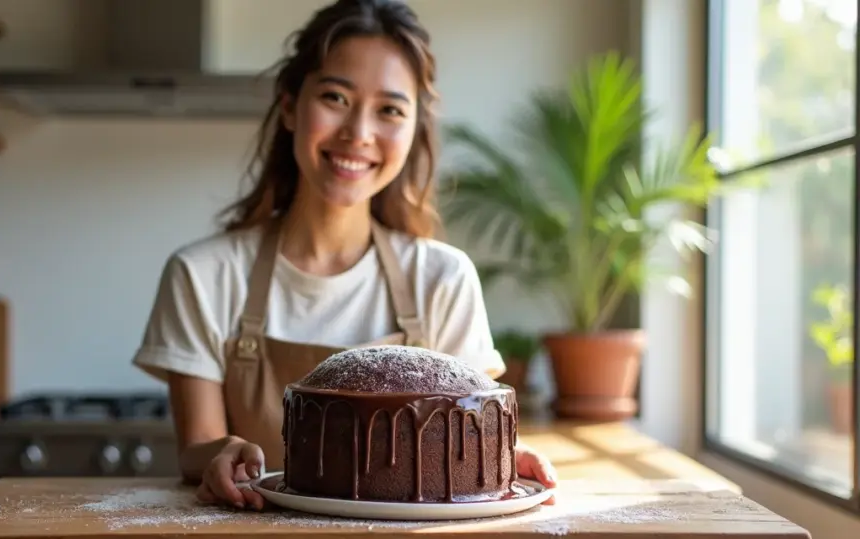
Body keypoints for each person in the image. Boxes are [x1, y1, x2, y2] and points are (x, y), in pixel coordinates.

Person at [131, 0, 557, 511]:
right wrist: (221, 454)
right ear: (289, 106)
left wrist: (507, 457)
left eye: (390, 110)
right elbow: (196, 447)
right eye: (336, 97)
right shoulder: (203, 276)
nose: (359, 132)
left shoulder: (442, 278)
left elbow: (464, 443)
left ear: (414, 129)